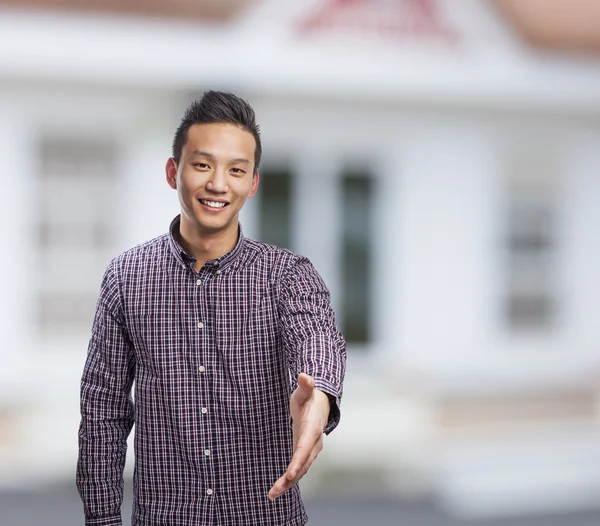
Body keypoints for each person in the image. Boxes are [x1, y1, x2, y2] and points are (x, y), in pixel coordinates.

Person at [76, 90, 347, 526]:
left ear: (253, 183)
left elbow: (317, 336)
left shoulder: (287, 275)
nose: (218, 184)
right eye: (202, 164)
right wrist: (102, 519)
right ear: (173, 171)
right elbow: (102, 411)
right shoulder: (126, 277)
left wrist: (319, 398)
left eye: (236, 170)